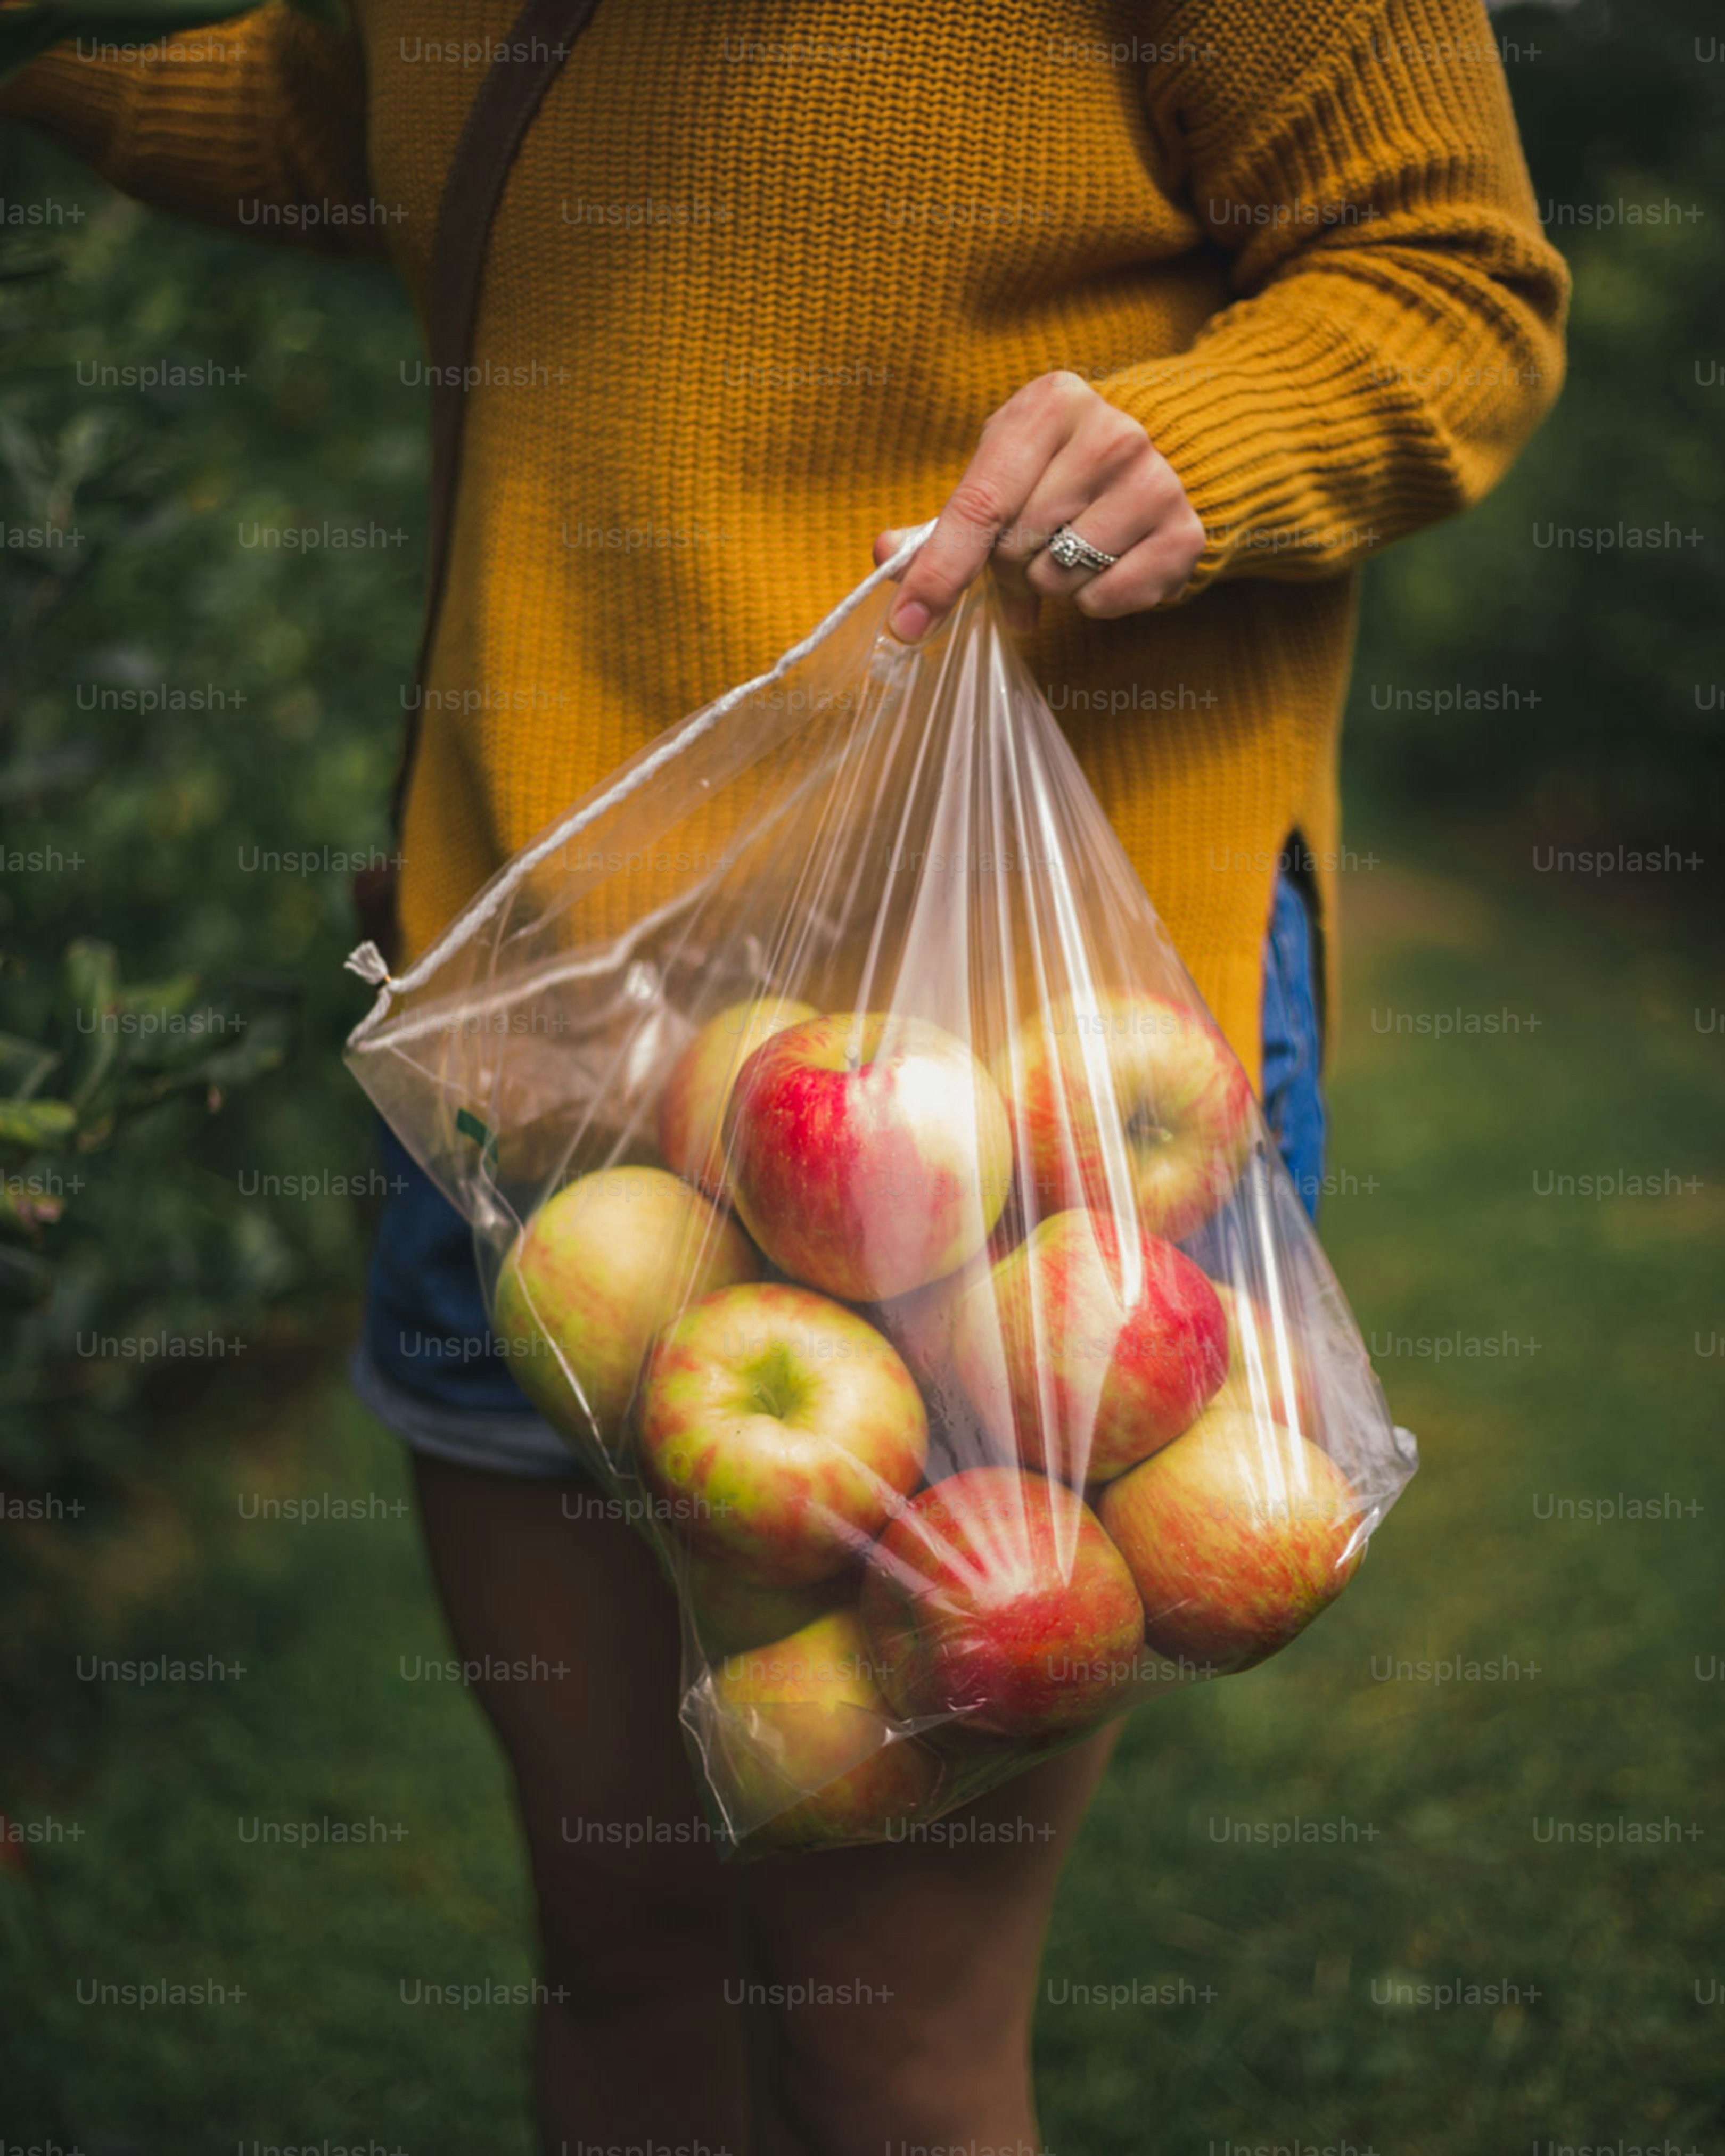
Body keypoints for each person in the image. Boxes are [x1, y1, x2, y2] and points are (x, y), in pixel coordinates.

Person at [1, 5, 1567, 2149]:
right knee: (620, 1939)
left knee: (886, 2022)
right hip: (539, 1040)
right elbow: (324, 94)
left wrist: (1198, 442)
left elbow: (1452, 277)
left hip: (1022, 1081)